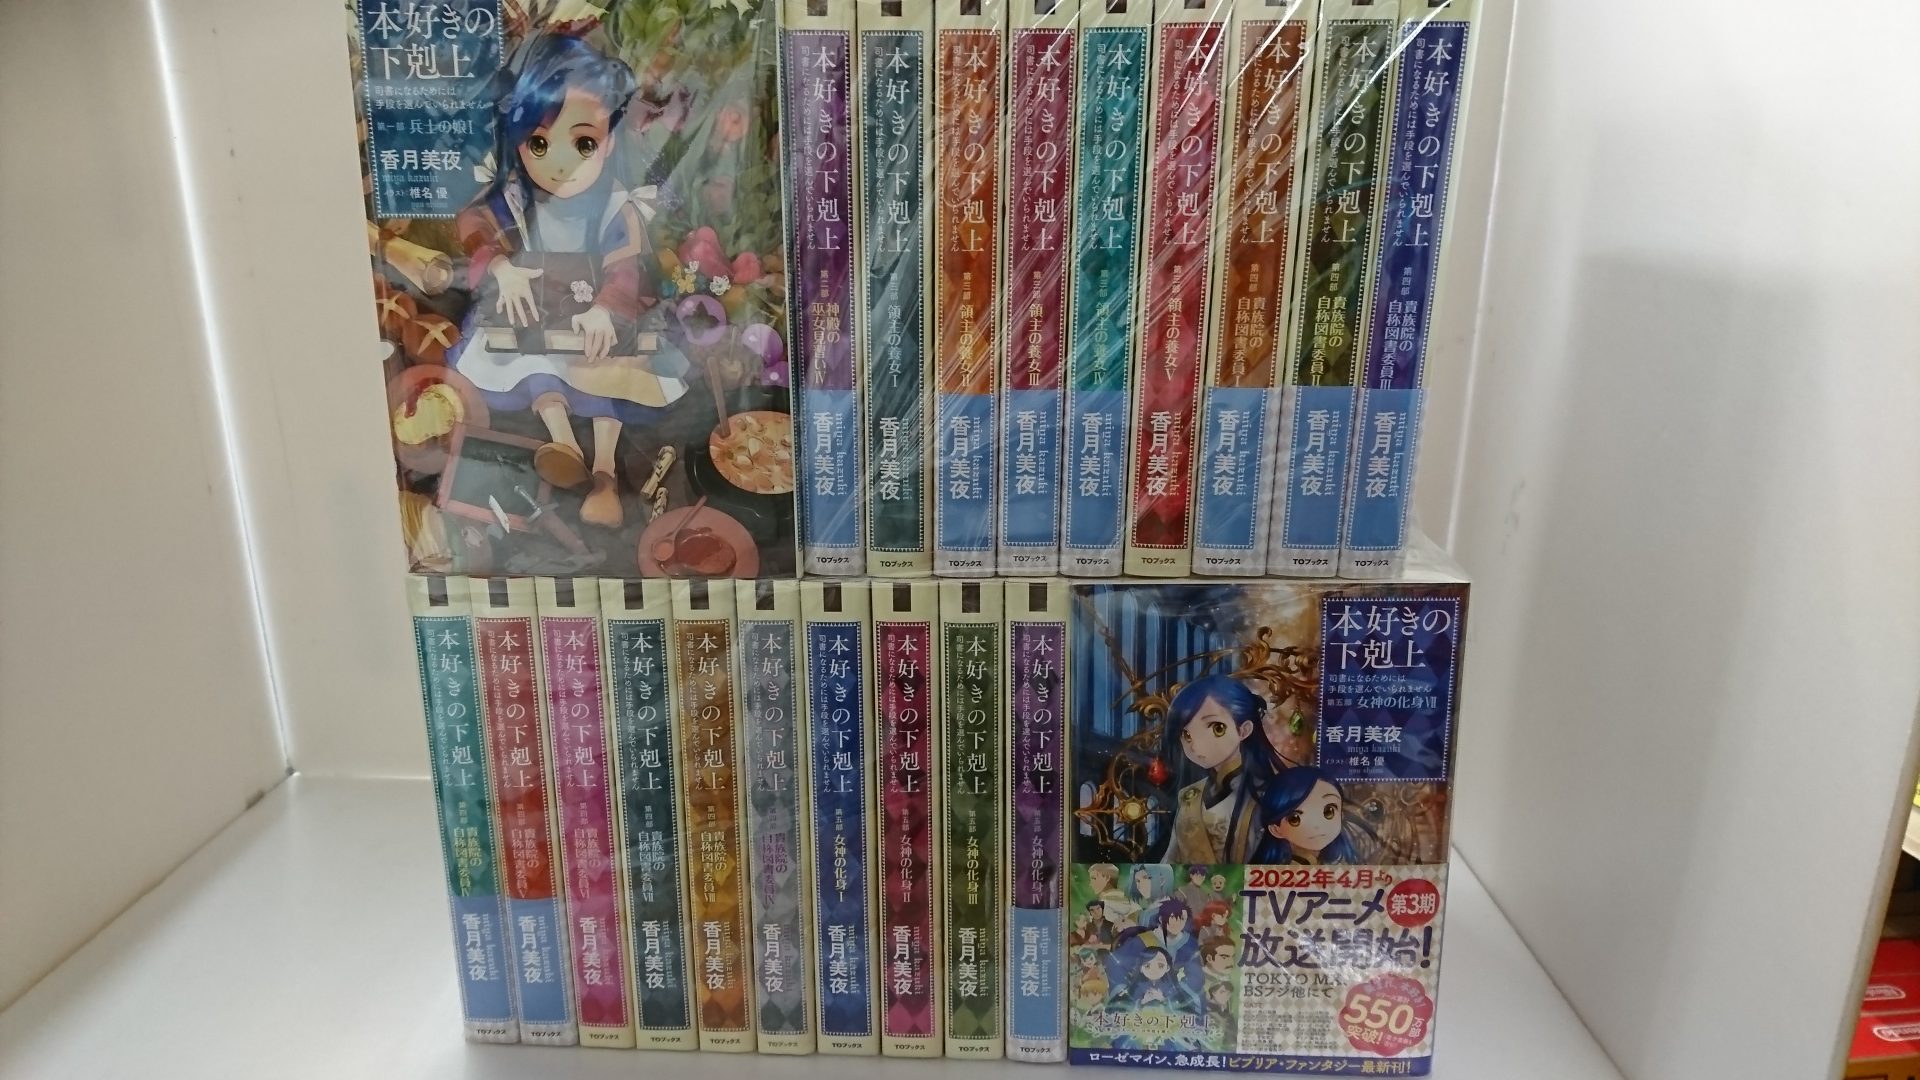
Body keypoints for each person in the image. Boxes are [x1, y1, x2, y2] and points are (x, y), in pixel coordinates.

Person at [450, 33, 689, 529]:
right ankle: (562, 445)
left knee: (606, 368)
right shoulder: (515, 196)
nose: (559, 162)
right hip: (538, 311)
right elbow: (473, 225)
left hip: (591, 315)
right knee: (537, 363)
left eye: (583, 143)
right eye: (539, 143)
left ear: (610, 139)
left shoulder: (614, 205)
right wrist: (501, 269)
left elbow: (625, 265)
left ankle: (604, 473)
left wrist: (607, 306)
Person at [1161, 676, 1280, 863]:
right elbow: (1170, 861)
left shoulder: (1268, 796)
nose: (1196, 746)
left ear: (1244, 730)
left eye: (1217, 728)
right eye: (1186, 734)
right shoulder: (1190, 796)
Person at [1251, 766, 1360, 865]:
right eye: (1295, 819)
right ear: (1276, 830)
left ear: (1341, 814)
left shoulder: (1340, 857)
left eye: (1329, 811)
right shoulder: (1284, 869)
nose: (1317, 825)